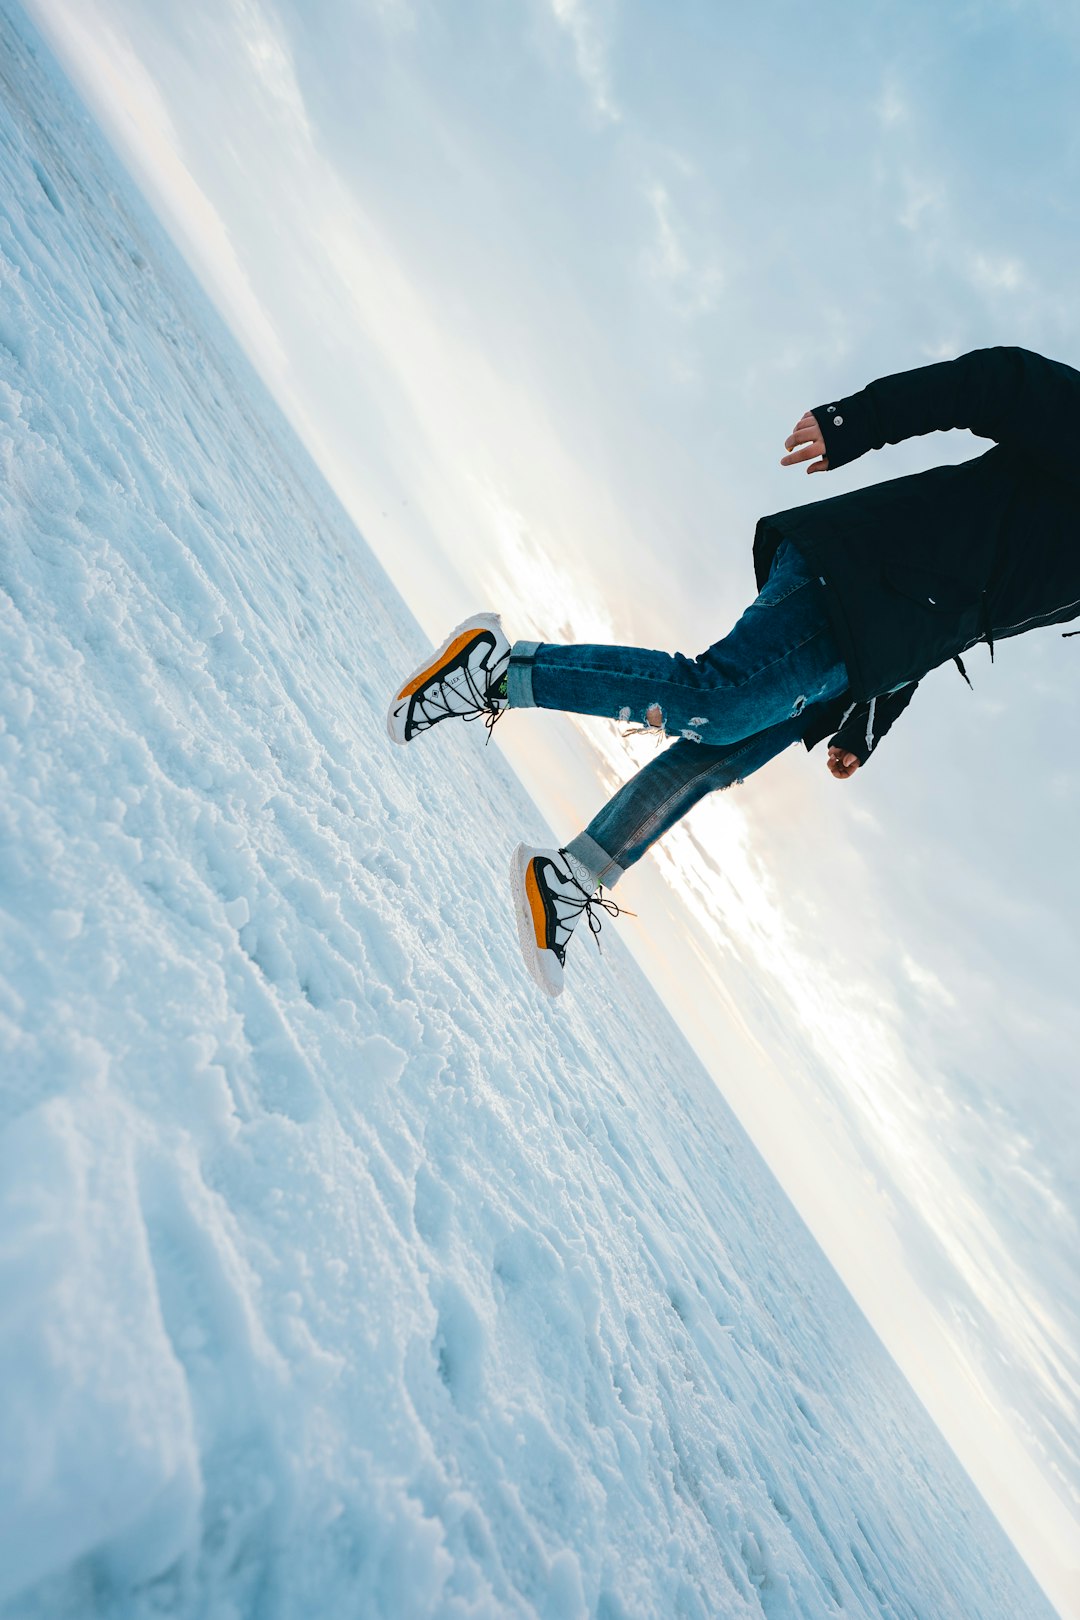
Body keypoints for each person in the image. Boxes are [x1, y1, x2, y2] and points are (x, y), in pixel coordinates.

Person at [387, 345, 1080, 996]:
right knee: (715, 701)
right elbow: (1002, 382)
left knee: (720, 753)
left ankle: (568, 875)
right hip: (857, 577)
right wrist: (858, 422)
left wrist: (866, 724)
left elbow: (957, 606)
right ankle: (494, 671)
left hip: (873, 642)